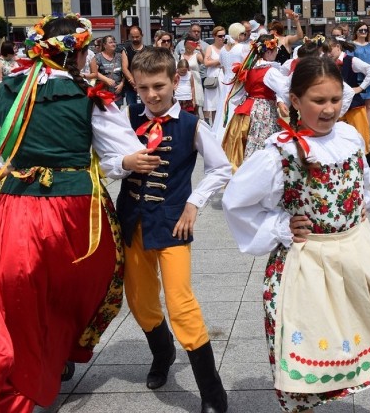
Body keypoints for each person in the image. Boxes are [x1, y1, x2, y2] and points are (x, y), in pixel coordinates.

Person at [0, 14, 160, 411]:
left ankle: (18, 374)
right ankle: (57, 354)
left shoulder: (4, 89)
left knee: (15, 296)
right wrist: (125, 163)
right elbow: (121, 154)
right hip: (74, 214)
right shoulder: (89, 96)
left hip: (14, 211)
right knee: (67, 290)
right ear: (79, 52)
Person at [222, 56, 370, 413]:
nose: (329, 108)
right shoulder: (279, 151)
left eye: (335, 99)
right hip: (308, 259)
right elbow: (236, 202)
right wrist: (279, 225)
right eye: (318, 101)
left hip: (357, 248)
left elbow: (361, 180)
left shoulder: (349, 136)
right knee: (309, 337)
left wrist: (357, 207)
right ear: (295, 101)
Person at [116, 47, 231, 411]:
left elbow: (221, 168)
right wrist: (122, 162)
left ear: (175, 82)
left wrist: (194, 203)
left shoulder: (191, 124)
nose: (152, 94)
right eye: (144, 87)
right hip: (132, 222)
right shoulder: (126, 116)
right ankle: (162, 353)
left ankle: (212, 392)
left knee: (181, 303)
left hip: (172, 225)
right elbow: (104, 158)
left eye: (159, 86)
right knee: (140, 300)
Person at [220, 35, 290, 171]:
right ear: (269, 52)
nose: (277, 53)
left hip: (245, 109)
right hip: (263, 112)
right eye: (276, 50)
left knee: (245, 145)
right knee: (262, 145)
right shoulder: (270, 71)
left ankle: (242, 173)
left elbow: (236, 97)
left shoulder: (249, 70)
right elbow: (285, 90)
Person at [328, 35, 370, 170]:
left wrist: (361, 88)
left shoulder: (351, 60)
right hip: (336, 106)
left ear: (338, 47)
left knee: (361, 137)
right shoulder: (327, 62)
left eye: (330, 50)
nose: (328, 54)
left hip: (354, 106)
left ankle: (368, 167)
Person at [202, 26, 227, 126]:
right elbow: (206, 63)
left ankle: (222, 127)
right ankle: (214, 127)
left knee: (223, 104)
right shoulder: (210, 47)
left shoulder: (226, 48)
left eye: (224, 36)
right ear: (214, 36)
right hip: (213, 78)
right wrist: (219, 61)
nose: (222, 38)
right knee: (213, 105)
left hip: (224, 77)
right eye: (220, 36)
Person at [120, 26, 147, 106]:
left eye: (137, 37)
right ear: (129, 37)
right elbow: (125, 68)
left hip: (145, 85)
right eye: (132, 37)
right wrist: (134, 83)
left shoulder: (148, 50)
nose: (135, 39)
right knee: (131, 109)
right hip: (131, 87)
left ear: (142, 35)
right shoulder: (126, 50)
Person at [95, 35, 125, 106]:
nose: (113, 44)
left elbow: (125, 71)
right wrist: (106, 79)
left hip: (117, 93)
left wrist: (122, 84)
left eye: (114, 42)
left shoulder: (120, 56)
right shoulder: (98, 57)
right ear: (104, 45)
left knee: (116, 114)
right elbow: (94, 72)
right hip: (104, 92)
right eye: (111, 42)